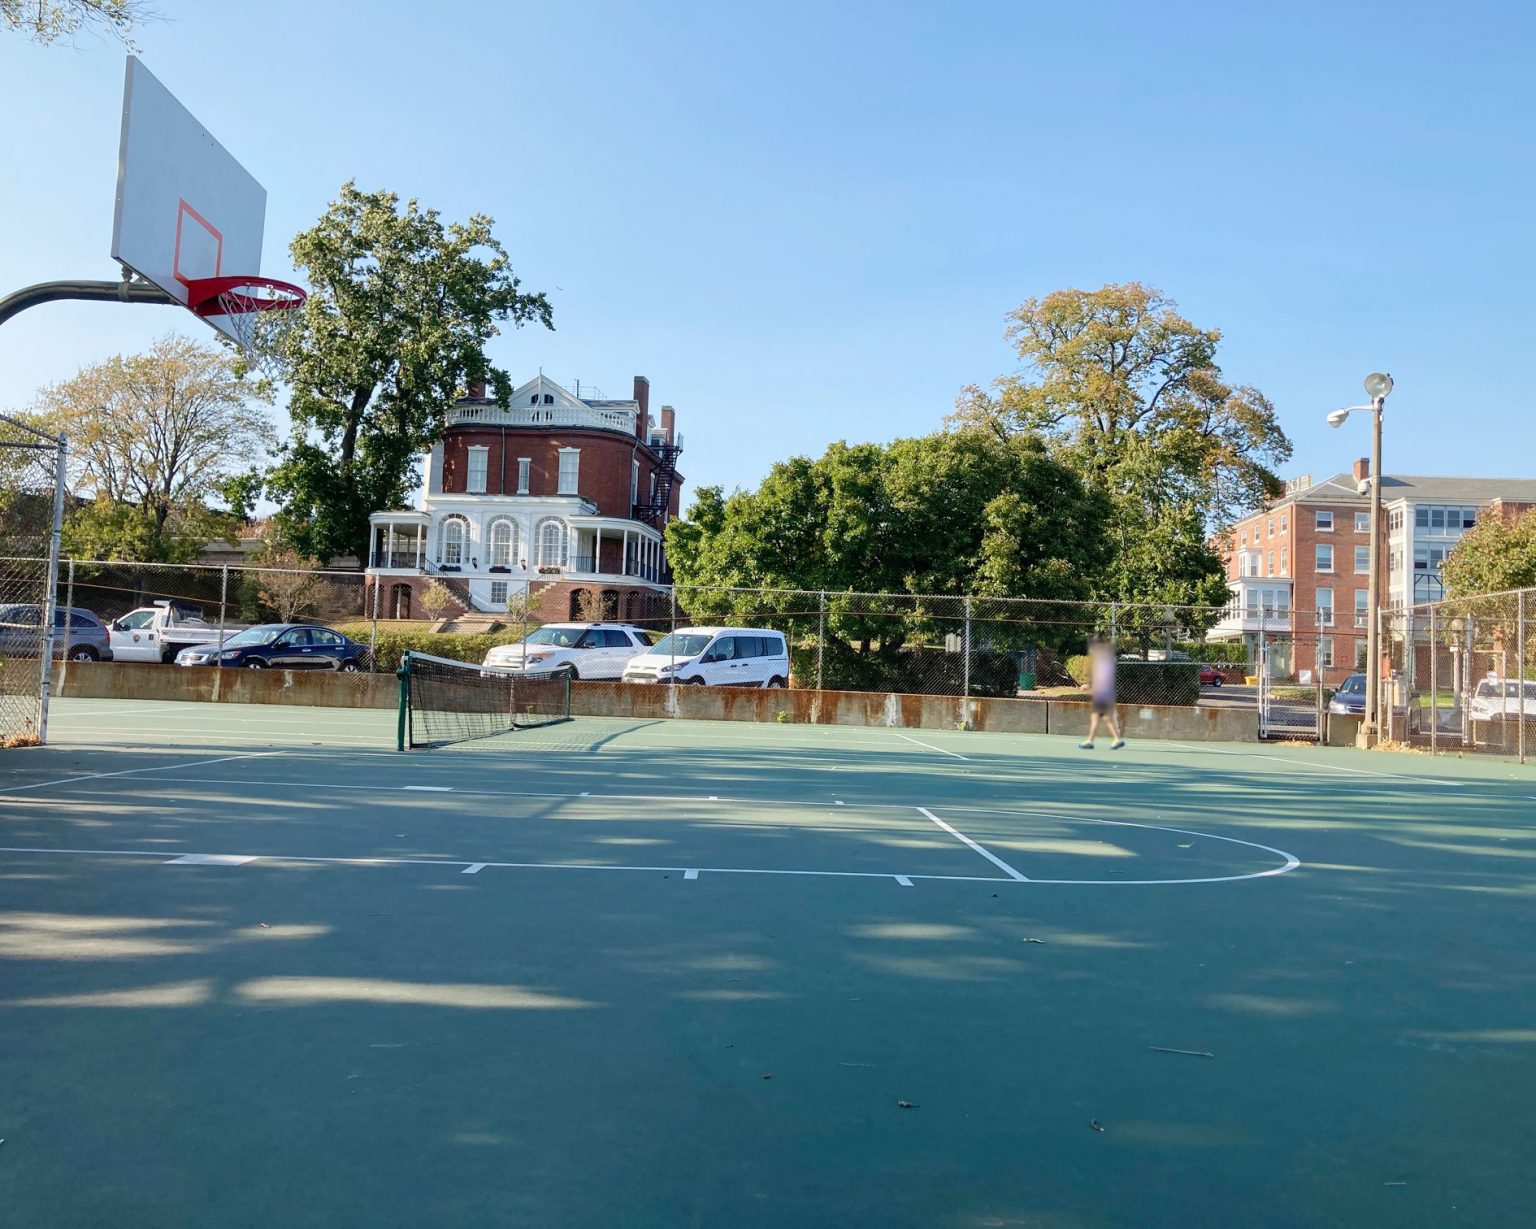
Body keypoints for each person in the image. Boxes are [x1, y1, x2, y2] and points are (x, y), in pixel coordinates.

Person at [1079, 636, 1125, 750]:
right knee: (1097, 717)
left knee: (1106, 718)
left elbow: (1103, 681)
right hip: (1104, 694)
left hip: (1104, 695)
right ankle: (1090, 740)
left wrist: (1088, 686)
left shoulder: (1103, 662)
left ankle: (1116, 739)